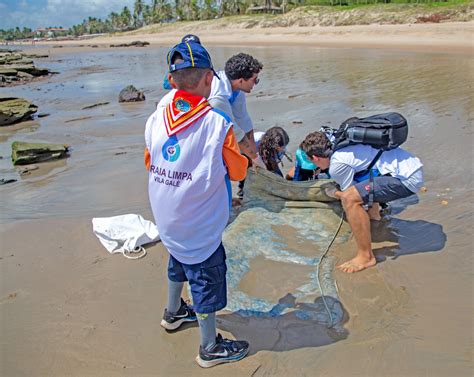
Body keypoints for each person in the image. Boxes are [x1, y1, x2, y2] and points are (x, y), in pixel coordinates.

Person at [144, 40, 250, 367]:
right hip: (199, 226)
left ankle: (174, 312)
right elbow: (238, 170)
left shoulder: (156, 117)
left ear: (172, 81)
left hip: (167, 220)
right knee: (206, 279)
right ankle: (209, 348)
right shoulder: (218, 125)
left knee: (178, 260)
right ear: (209, 79)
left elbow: (150, 161)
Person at [300, 131, 424, 273]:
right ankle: (375, 220)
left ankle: (365, 257)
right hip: (410, 167)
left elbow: (350, 196)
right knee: (363, 188)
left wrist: (334, 193)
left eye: (310, 161)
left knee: (350, 199)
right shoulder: (341, 148)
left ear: (315, 158)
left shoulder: (336, 165)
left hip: (407, 178)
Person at [237, 127, 289, 198]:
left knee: (276, 175)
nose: (281, 150)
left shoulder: (282, 149)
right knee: (246, 169)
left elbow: (274, 165)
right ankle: (242, 189)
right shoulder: (255, 140)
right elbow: (240, 151)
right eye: (276, 149)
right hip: (247, 154)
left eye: (281, 148)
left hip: (267, 159)